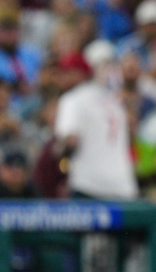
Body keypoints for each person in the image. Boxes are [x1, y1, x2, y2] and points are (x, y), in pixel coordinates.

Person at [53, 40, 138, 201]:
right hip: (122, 186)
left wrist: (59, 153)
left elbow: (70, 141)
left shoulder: (73, 99)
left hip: (88, 184)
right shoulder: (118, 101)